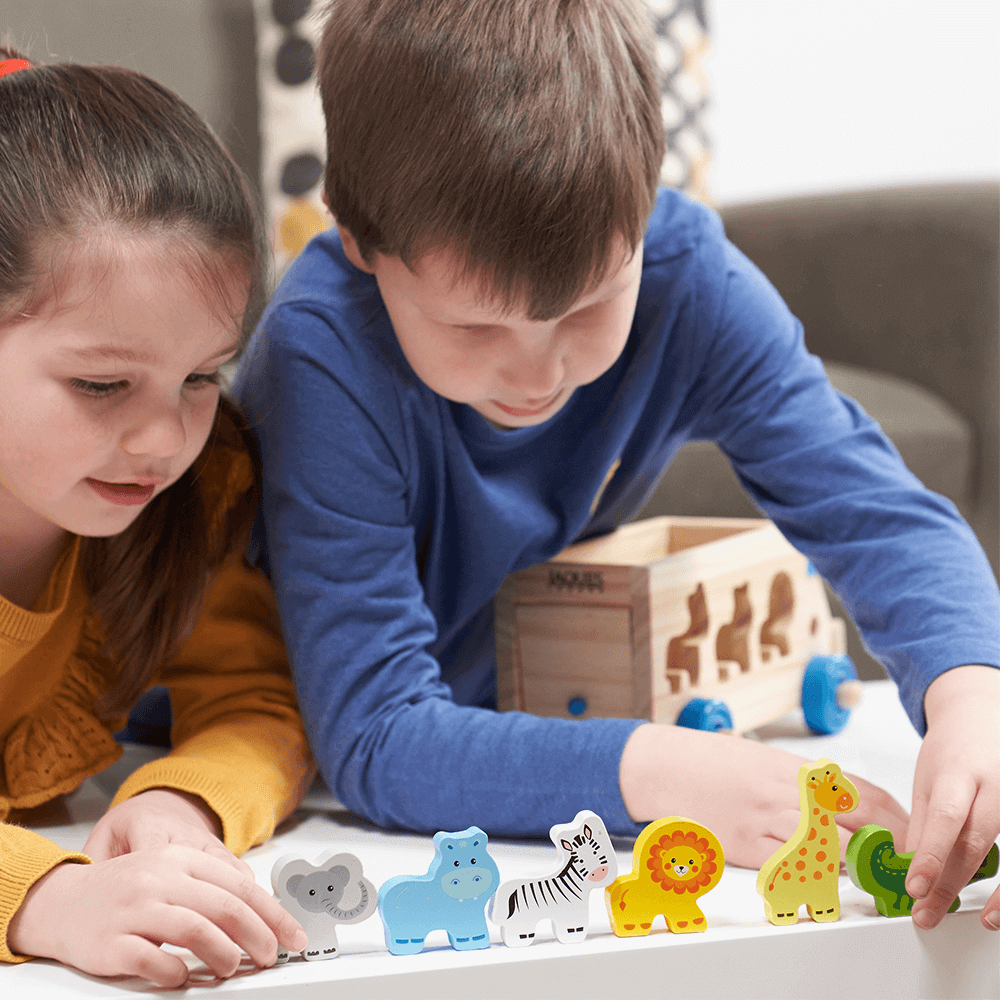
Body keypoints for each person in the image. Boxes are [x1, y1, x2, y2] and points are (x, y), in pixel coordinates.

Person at [234, 0, 1000, 935]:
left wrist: (973, 692)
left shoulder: (689, 279)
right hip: (243, 745)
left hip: (489, 729)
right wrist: (671, 773)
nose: (537, 372)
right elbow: (375, 736)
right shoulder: (322, 356)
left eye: (589, 308)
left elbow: (872, 509)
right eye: (475, 327)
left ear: (643, 214)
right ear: (358, 242)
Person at [0, 51, 316, 984]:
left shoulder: (194, 492)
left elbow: (255, 702)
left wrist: (184, 801)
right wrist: (44, 896)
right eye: (103, 383)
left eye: (200, 377)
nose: (160, 438)